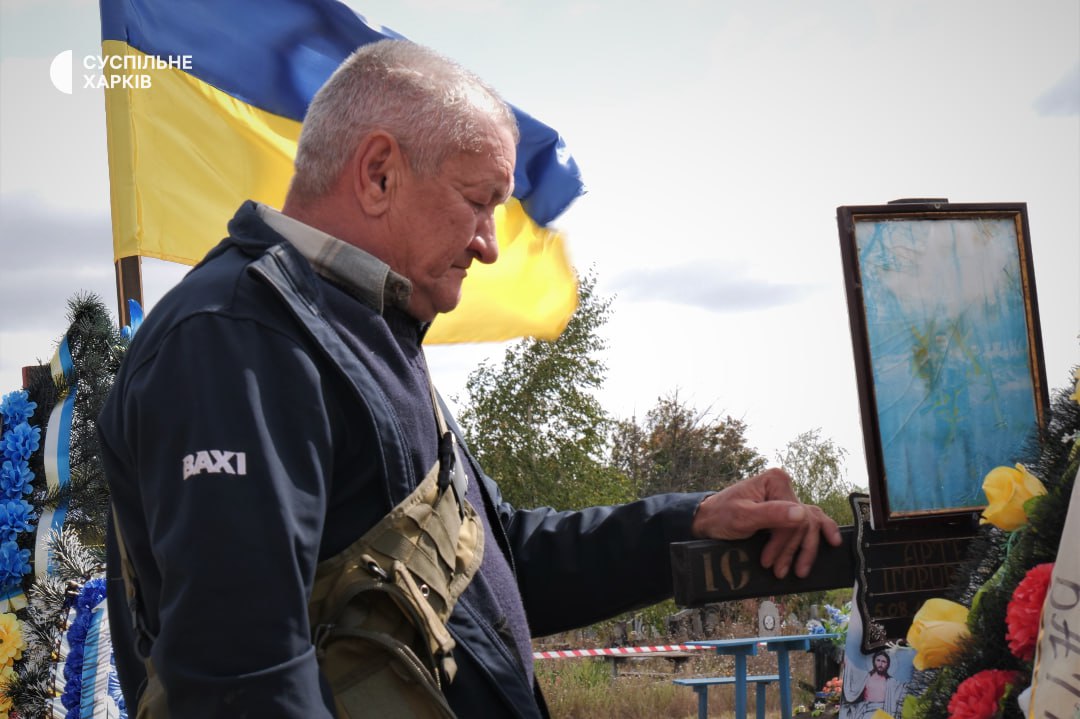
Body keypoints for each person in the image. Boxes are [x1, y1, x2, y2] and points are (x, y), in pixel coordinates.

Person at [99, 39, 842, 718]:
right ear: (379, 173)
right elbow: (241, 676)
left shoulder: (355, 326)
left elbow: (497, 560)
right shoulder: (236, 341)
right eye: (479, 200)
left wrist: (693, 520)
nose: (488, 243)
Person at [841, 650, 907, 719]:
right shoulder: (866, 677)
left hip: (883, 711)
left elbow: (902, 687)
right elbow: (853, 675)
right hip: (866, 710)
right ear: (873, 661)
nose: (880, 664)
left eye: (883, 661)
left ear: (888, 664)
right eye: (878, 660)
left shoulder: (891, 681)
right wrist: (848, 661)